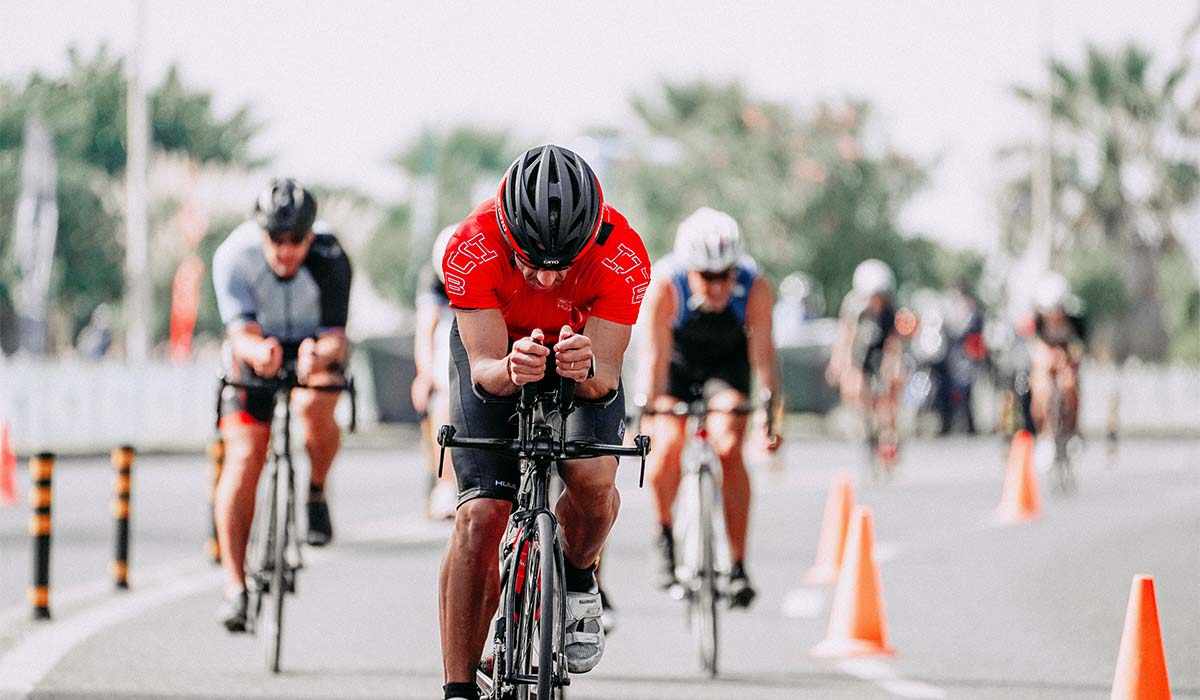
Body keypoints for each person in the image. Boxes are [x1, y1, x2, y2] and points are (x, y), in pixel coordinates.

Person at [438, 145, 650, 700]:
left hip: (581, 355)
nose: (548, 280)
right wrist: (509, 366)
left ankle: (579, 575)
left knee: (593, 479)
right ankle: (459, 686)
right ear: (506, 232)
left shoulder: (623, 253)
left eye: (565, 265)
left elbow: (604, 378)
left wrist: (585, 368)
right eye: (531, 261)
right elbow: (482, 369)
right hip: (499, 354)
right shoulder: (471, 245)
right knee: (482, 515)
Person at [211, 178, 352, 632]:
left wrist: (319, 354)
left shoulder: (331, 258)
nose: (286, 251)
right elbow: (239, 334)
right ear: (261, 232)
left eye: (296, 241)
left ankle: (315, 489)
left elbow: (337, 337)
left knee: (317, 405)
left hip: (312, 348)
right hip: (256, 349)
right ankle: (235, 586)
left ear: (311, 236)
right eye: (276, 239)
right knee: (246, 454)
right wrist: (261, 355)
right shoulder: (234, 257)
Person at [637, 207, 782, 609]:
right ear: (689, 270)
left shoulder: (755, 287)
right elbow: (654, 358)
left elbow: (764, 358)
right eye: (708, 277)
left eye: (726, 275)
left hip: (726, 369)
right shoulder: (667, 285)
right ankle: (664, 534)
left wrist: (770, 418)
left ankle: (736, 566)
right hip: (678, 368)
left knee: (729, 445)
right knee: (666, 443)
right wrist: (647, 414)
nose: (719, 287)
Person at [826, 259, 905, 468]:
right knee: (858, 388)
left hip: (882, 352)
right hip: (861, 354)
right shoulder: (853, 306)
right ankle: (867, 426)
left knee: (889, 393)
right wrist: (840, 364)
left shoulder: (891, 310)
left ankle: (889, 436)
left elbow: (894, 343)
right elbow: (845, 336)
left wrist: (892, 367)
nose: (875, 301)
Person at [412, 225, 458, 520]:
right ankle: (445, 483)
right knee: (442, 401)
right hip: (446, 349)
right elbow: (425, 329)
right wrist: (425, 375)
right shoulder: (432, 280)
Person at [1028, 272, 1086, 439]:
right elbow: (1035, 346)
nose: (1053, 315)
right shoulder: (1038, 320)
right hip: (1045, 358)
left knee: (1069, 385)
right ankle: (1043, 430)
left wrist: (1070, 358)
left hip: (1066, 357)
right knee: (1041, 389)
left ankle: (1072, 428)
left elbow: (1079, 347)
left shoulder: (1075, 320)